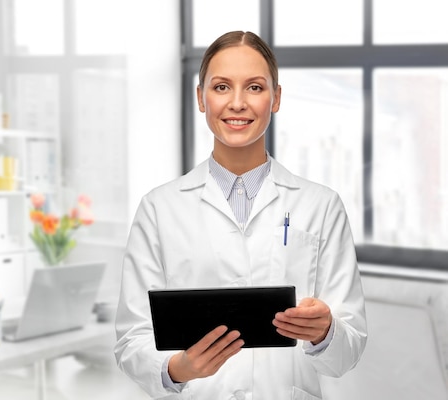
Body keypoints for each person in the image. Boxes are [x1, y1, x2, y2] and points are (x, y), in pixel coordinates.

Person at [114, 31, 367, 399]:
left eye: (254, 87)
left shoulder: (321, 206)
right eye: (220, 87)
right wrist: (177, 368)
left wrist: (325, 331)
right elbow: (131, 338)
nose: (236, 103)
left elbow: (349, 347)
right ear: (201, 98)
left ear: (276, 98)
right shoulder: (158, 209)